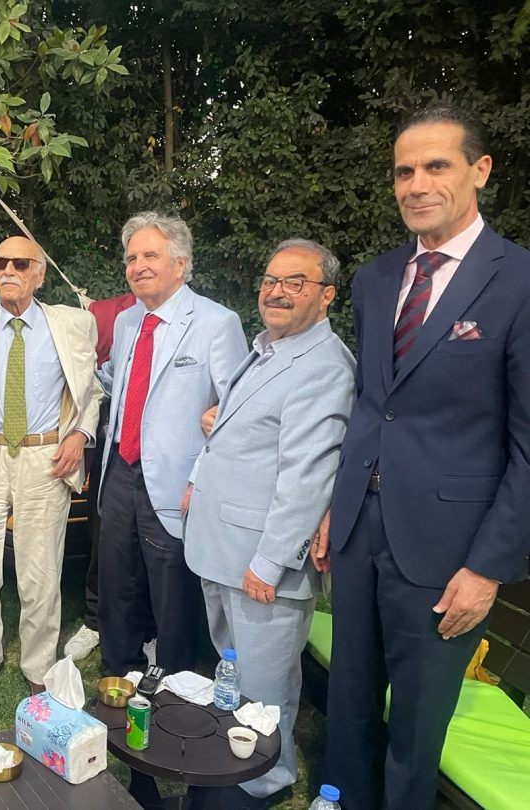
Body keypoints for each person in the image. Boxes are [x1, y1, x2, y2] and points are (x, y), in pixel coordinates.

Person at [314, 105, 530, 809]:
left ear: (480, 170)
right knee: (348, 696)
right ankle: (341, 799)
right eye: (404, 171)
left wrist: (487, 568)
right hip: (358, 532)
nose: (416, 184)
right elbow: (372, 406)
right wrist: (336, 507)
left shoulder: (519, 281)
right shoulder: (376, 280)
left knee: (416, 721)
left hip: (447, 549)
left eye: (436, 166)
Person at [183, 239, 355, 808]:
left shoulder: (324, 367)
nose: (276, 292)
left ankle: (262, 782)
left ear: (327, 296)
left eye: (295, 282)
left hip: (260, 562)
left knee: (265, 682)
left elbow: (307, 477)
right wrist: (198, 477)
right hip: (223, 546)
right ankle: (238, 758)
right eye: (270, 280)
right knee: (237, 669)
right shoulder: (268, 349)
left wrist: (271, 561)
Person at [0, 236, 99, 698]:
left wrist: (80, 435)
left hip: (45, 457)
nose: (8, 270)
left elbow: (91, 391)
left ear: (40, 274)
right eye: (0, 263)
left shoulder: (73, 324)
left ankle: (37, 664)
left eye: (20, 263)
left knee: (41, 571)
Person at [97, 212, 247, 680]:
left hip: (177, 479)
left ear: (180, 264)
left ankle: (178, 686)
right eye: (131, 258)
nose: (137, 266)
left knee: (173, 589)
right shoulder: (126, 322)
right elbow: (121, 386)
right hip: (120, 468)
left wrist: (200, 478)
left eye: (150, 255)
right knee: (116, 579)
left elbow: (237, 411)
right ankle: (118, 674)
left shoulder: (216, 323)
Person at [63, 291, 136, 662]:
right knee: (101, 538)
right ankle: (94, 619)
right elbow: (104, 378)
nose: (141, 267)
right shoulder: (116, 316)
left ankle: (148, 630)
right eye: (133, 262)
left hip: (163, 461)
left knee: (154, 551)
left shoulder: (203, 321)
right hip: (112, 451)